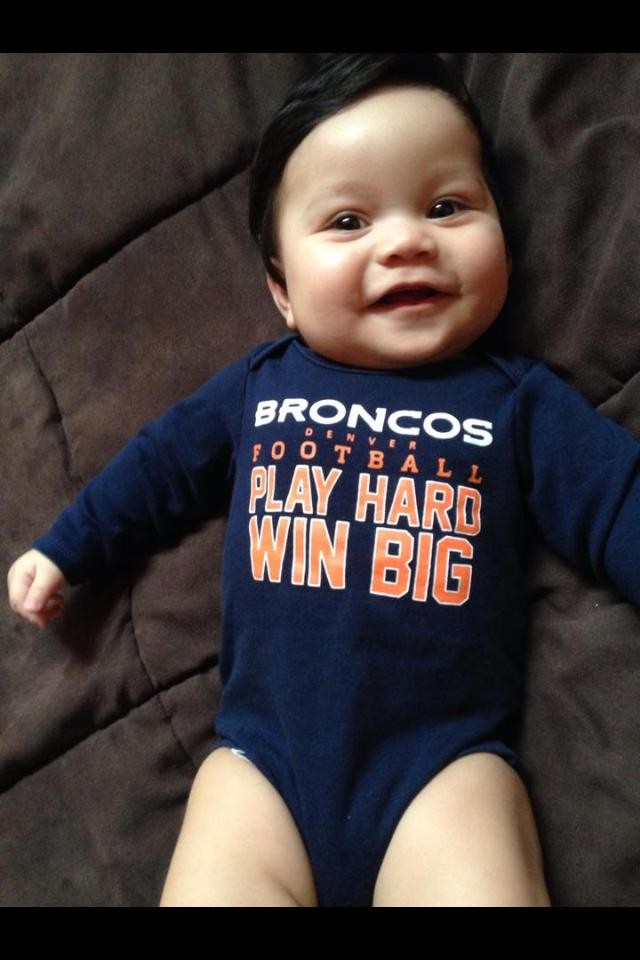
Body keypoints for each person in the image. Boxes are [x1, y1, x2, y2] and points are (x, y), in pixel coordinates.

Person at [8, 52, 640, 908]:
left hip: (441, 773)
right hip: (260, 768)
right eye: (347, 221)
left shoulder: (518, 403)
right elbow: (157, 465)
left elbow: (616, 503)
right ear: (283, 292)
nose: (407, 239)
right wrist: (68, 546)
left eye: (447, 206)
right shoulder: (259, 387)